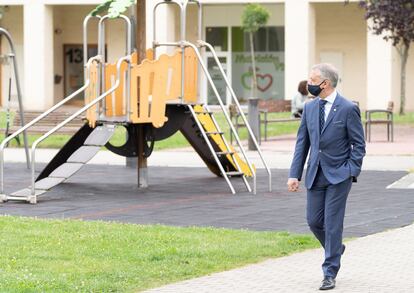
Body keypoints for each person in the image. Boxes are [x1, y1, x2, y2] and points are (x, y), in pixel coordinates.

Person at [287, 63, 366, 290]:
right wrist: (295, 174)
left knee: (332, 224)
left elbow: (358, 145)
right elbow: (302, 144)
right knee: (314, 221)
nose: (308, 84)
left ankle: (329, 272)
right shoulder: (309, 108)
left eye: (312, 80)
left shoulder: (347, 108)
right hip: (315, 174)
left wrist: (351, 170)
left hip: (339, 175)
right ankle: (336, 248)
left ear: (326, 83)